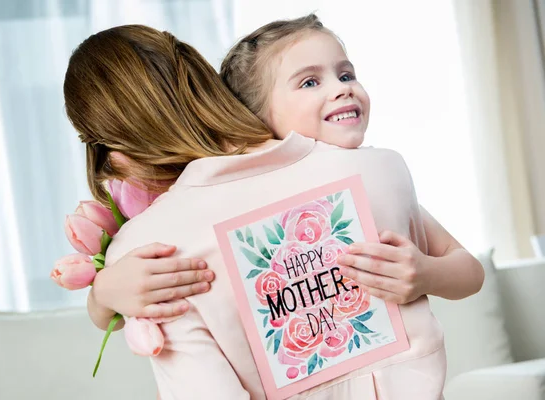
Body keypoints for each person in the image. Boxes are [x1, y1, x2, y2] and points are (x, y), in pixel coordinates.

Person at [64, 17, 483, 399]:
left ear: (108, 144)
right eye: (308, 83)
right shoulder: (377, 169)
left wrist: (104, 291)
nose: (340, 89)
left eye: (344, 74)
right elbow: (461, 270)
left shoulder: (144, 252)